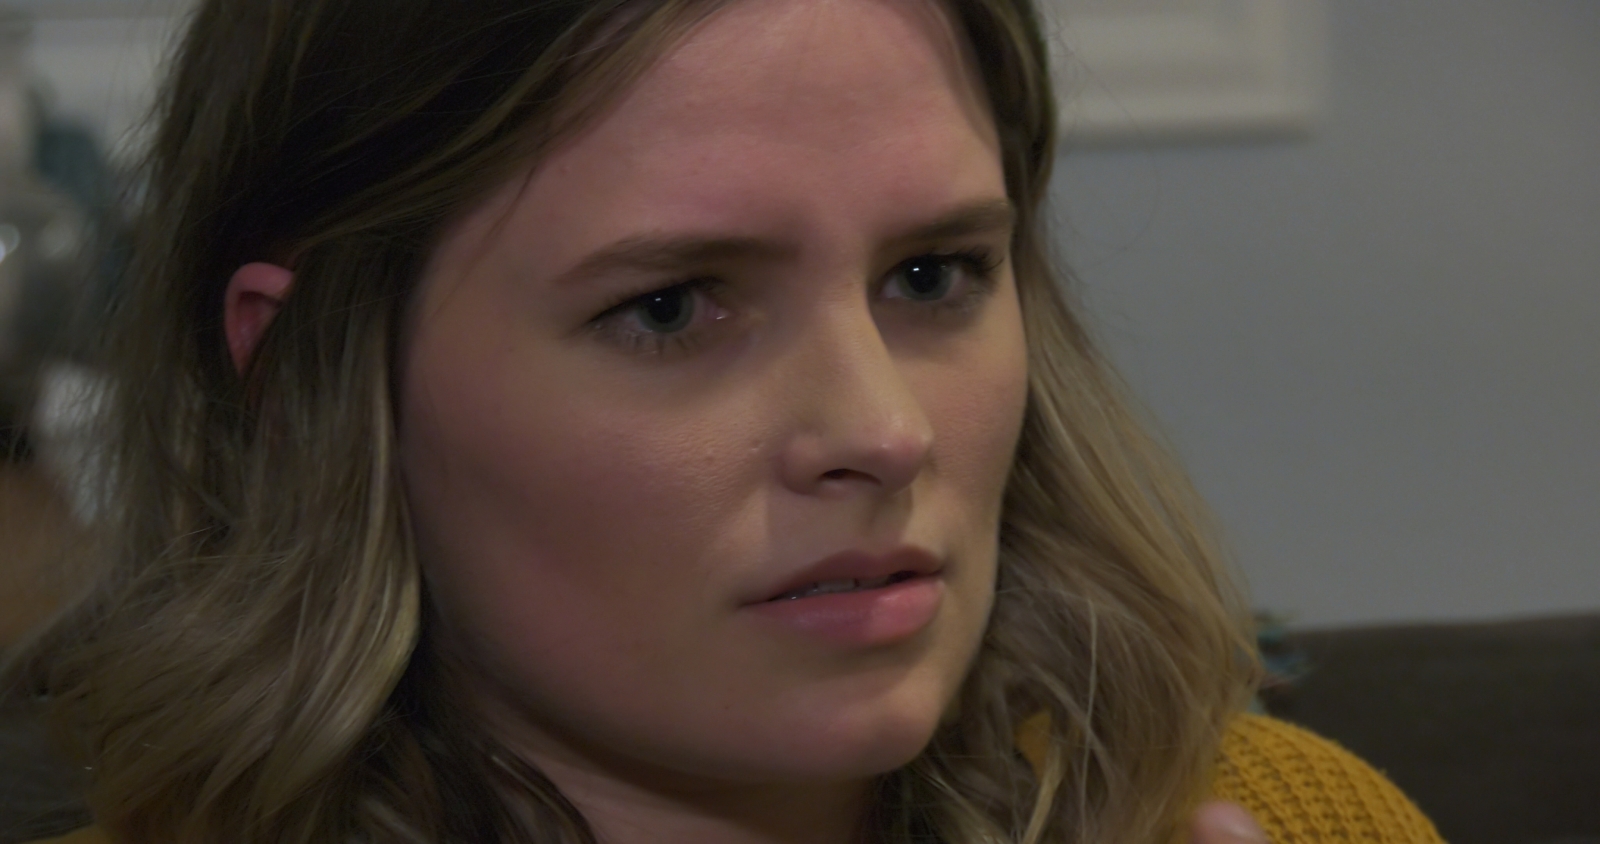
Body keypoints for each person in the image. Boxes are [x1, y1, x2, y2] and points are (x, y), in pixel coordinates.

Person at [5, 1, 1443, 842]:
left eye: (933, 276)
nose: (885, 431)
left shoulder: (1289, 817)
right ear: (299, 372)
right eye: (672, 308)